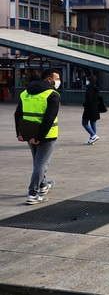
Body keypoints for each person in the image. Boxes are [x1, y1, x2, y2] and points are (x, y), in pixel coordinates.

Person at [14, 68, 61, 205]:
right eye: (56, 78)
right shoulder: (52, 95)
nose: (58, 81)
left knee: (37, 162)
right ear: (48, 79)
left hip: (29, 133)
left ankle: (43, 184)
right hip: (47, 135)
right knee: (41, 163)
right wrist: (40, 136)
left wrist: (20, 133)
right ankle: (33, 193)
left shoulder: (25, 93)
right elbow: (49, 118)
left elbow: (18, 114)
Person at [82, 75, 101, 145]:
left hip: (89, 109)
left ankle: (93, 135)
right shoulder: (96, 89)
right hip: (96, 108)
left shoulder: (89, 90)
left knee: (84, 122)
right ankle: (92, 138)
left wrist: (84, 104)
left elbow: (89, 100)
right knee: (93, 123)